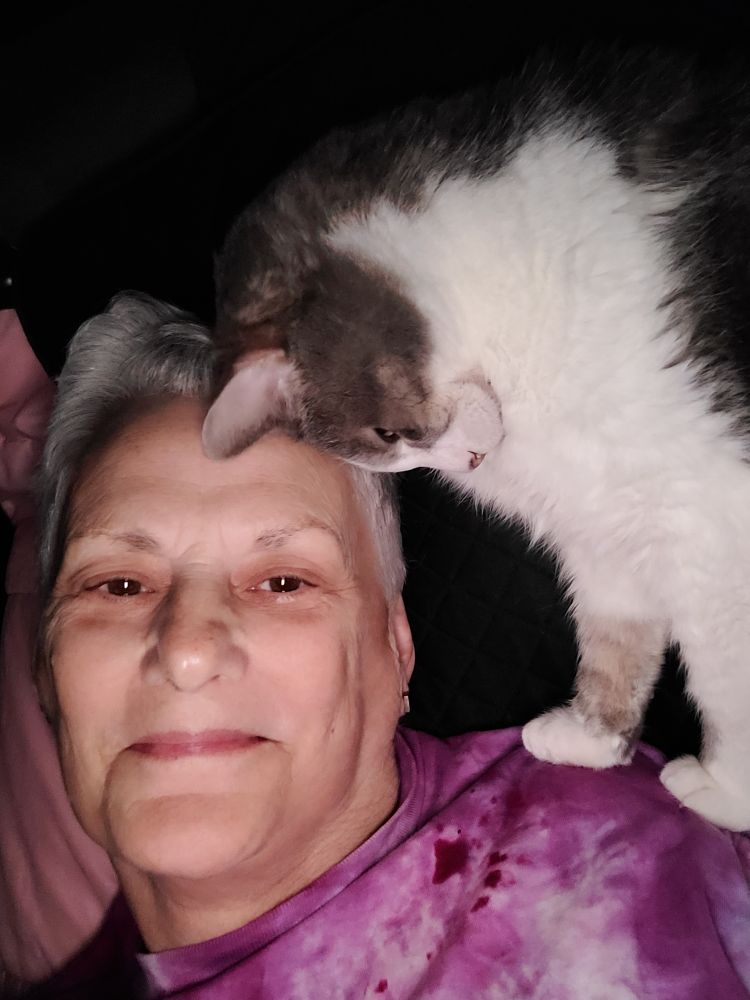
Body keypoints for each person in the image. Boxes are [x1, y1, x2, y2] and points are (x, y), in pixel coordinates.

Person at [25, 293, 750, 998]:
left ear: (395, 647)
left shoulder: (608, 885)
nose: (186, 651)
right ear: (47, 671)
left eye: (284, 581)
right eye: (119, 584)